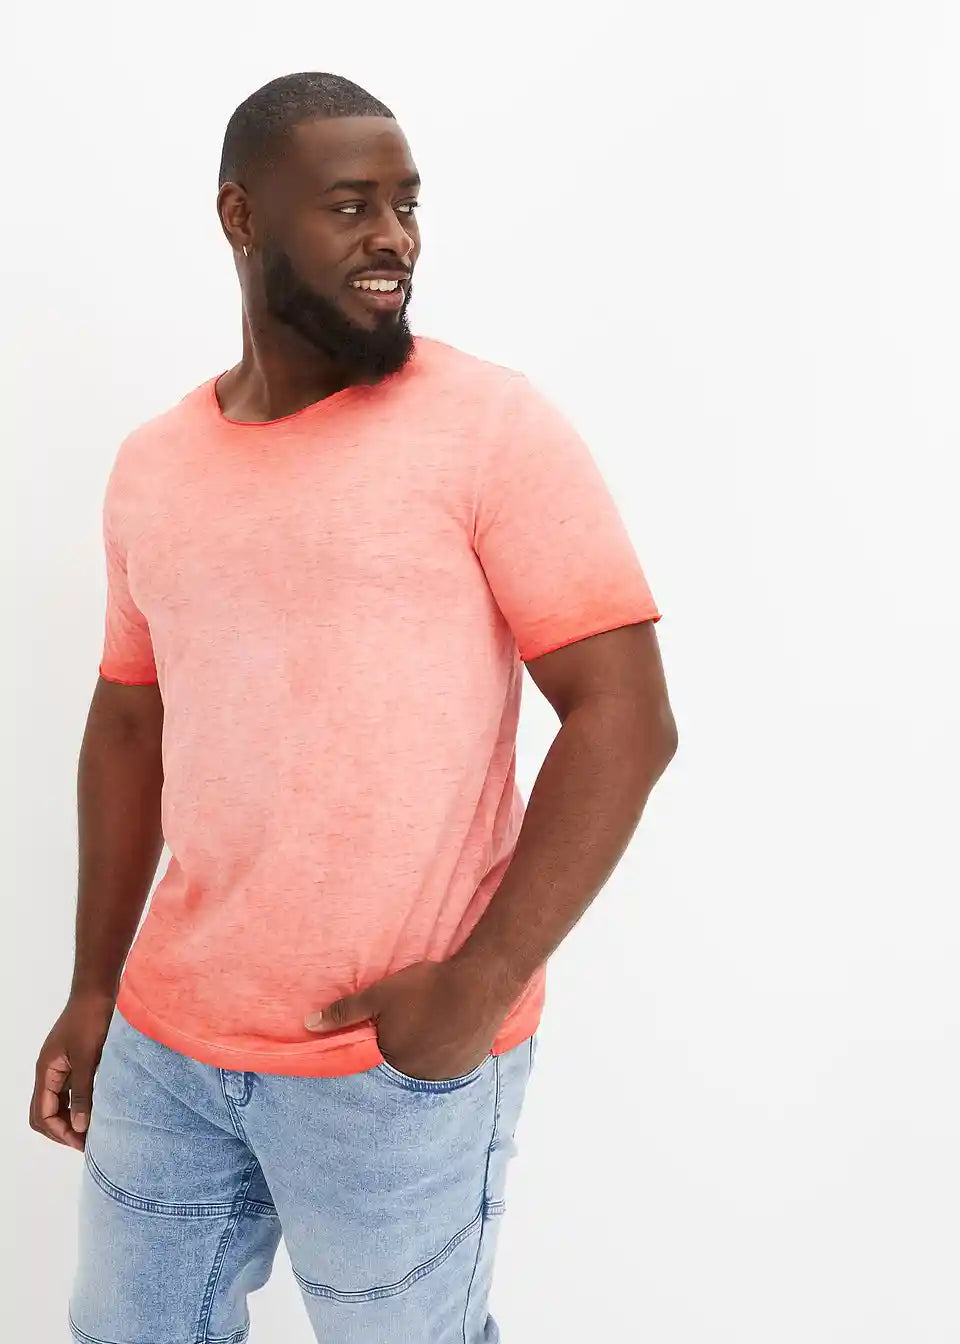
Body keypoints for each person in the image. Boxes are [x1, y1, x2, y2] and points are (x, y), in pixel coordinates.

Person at [29, 71, 678, 1344]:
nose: (396, 239)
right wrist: (94, 985)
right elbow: (129, 722)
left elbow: (625, 715)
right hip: (170, 1045)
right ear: (241, 216)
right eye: (350, 206)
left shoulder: (488, 427)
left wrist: (483, 984)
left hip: (389, 1062)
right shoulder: (155, 465)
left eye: (407, 204)